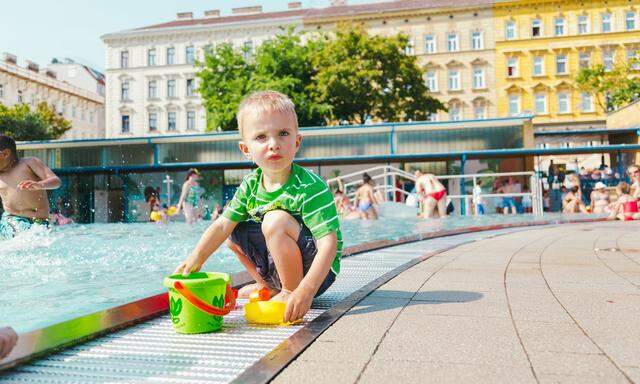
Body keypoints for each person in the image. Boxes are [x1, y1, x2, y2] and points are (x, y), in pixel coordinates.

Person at [173, 90, 341, 323]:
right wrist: (195, 260)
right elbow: (222, 226)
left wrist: (307, 290)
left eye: (283, 134)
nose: (274, 144)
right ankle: (270, 286)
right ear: (246, 149)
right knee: (233, 233)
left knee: (275, 219)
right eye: (261, 137)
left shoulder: (309, 186)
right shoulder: (250, 185)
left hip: (318, 273)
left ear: (297, 142)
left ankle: (290, 291)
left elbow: (328, 244)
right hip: (284, 264)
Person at [0, 135, 61, 240]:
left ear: (5, 154)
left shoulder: (29, 163)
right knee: (22, 239)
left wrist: (40, 184)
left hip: (40, 220)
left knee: (35, 245)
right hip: (12, 218)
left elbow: (56, 181)